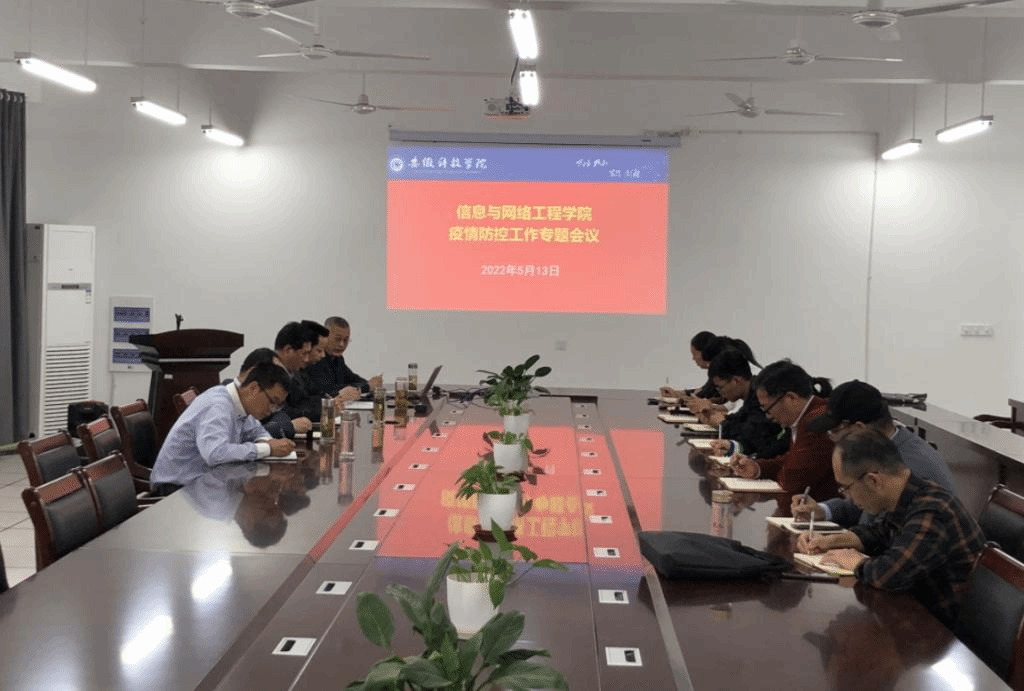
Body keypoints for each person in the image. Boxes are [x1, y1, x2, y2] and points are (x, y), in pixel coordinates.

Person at [796, 428, 984, 628]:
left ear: (873, 480)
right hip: (917, 614)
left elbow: (891, 574)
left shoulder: (932, 510)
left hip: (944, 631)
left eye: (846, 488)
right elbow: (880, 533)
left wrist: (853, 561)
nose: (847, 497)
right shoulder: (909, 496)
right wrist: (831, 540)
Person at [791, 380, 958, 527]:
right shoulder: (884, 449)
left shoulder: (909, 468)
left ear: (859, 429)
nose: (832, 439)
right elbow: (862, 505)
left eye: (834, 431)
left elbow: (879, 533)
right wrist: (822, 510)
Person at [151, 362, 296, 494]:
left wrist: (267, 442)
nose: (272, 409)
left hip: (206, 483)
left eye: (278, 406)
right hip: (177, 490)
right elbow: (215, 453)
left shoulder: (241, 405)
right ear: (253, 388)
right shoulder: (218, 405)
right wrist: (267, 448)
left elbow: (256, 431)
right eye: (272, 401)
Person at [731, 359, 838, 501]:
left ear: (791, 398)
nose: (768, 416)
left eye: (767, 408)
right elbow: (791, 459)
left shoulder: (817, 421)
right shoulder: (807, 415)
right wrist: (757, 468)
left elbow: (792, 478)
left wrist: (778, 470)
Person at [704, 350, 790, 459]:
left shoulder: (759, 395)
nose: (720, 392)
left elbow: (753, 435)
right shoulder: (751, 395)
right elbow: (740, 421)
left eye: (720, 387)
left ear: (736, 381)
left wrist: (722, 423)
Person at [304, 316, 383, 401]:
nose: (342, 344)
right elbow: (329, 390)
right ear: (325, 337)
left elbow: (353, 379)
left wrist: (370, 384)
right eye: (337, 339)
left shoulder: (338, 359)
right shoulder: (315, 358)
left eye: (346, 340)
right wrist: (367, 387)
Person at [262, 321, 317, 438]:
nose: (307, 359)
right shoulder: (266, 374)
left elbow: (306, 400)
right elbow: (260, 425)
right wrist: (289, 426)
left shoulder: (295, 374)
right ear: (288, 350)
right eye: (304, 354)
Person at [660, 330, 716, 400]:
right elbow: (702, 391)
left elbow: (703, 397)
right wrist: (675, 393)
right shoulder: (714, 372)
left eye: (694, 354)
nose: (693, 358)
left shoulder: (720, 372)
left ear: (705, 353)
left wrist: (679, 396)